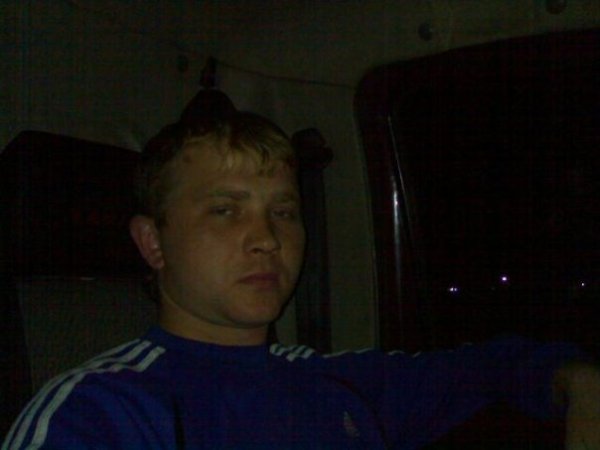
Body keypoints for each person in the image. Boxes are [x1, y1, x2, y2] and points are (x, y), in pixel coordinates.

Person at [3, 92, 600, 449]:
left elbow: (487, 368)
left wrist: (578, 379)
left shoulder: (333, 380)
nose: (267, 238)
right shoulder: (101, 411)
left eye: (284, 212)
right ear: (153, 242)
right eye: (225, 210)